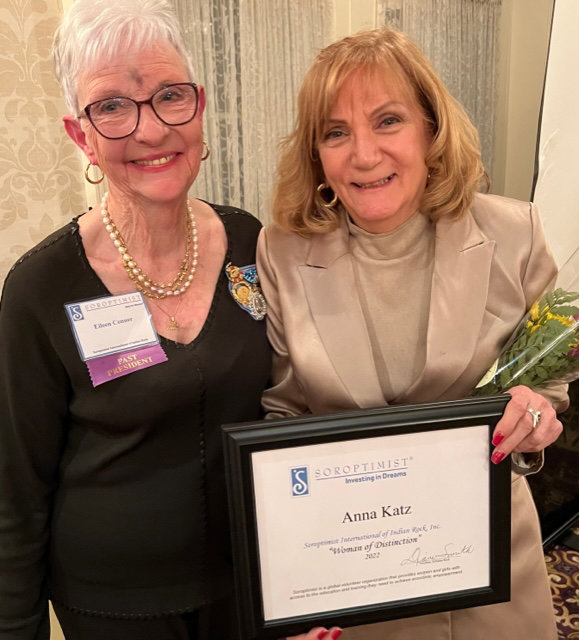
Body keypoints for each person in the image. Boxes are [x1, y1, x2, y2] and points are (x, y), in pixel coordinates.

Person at [0, 1, 339, 639]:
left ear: (200, 106)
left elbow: (296, 402)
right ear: (81, 135)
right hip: (116, 609)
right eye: (112, 106)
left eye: (169, 96)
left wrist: (319, 575)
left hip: (253, 586)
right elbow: (14, 496)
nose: (151, 130)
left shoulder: (250, 242)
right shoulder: (40, 288)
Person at [257, 28, 566, 640]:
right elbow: (283, 414)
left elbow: (548, 379)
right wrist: (293, 582)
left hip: (492, 566)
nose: (364, 154)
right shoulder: (283, 252)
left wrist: (537, 413)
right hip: (356, 585)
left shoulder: (514, 233)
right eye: (335, 131)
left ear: (431, 129)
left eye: (388, 121)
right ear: (317, 153)